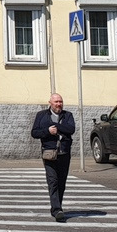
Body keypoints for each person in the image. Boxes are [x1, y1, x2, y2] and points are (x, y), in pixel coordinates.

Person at [31, 92, 76, 222]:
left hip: (64, 154)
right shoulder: (42, 116)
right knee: (53, 181)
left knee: (61, 182)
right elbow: (34, 133)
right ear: (50, 103)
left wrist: (57, 127)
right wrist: (47, 131)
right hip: (49, 153)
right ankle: (57, 210)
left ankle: (57, 207)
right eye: (56, 102)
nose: (59, 104)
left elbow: (71, 129)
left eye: (60, 102)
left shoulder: (68, 115)